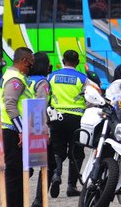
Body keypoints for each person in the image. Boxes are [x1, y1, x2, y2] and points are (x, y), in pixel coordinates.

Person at [48, 50, 93, 198]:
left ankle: (56, 175)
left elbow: (46, 95)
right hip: (76, 120)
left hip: (56, 118)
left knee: (57, 150)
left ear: (62, 60)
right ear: (78, 62)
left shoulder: (52, 76)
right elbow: (91, 97)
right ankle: (71, 186)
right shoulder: (82, 78)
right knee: (77, 153)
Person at [0, 47, 34, 207]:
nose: (30, 68)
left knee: (17, 174)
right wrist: (21, 130)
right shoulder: (15, 79)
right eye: (30, 65)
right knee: (14, 175)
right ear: (24, 61)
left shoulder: (11, 75)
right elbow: (11, 105)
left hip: (11, 131)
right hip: (13, 132)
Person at [28, 52, 56, 207]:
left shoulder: (26, 80)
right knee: (50, 164)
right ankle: (39, 200)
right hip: (36, 127)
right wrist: (45, 132)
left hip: (23, 125)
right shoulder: (42, 83)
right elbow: (40, 107)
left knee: (28, 164)